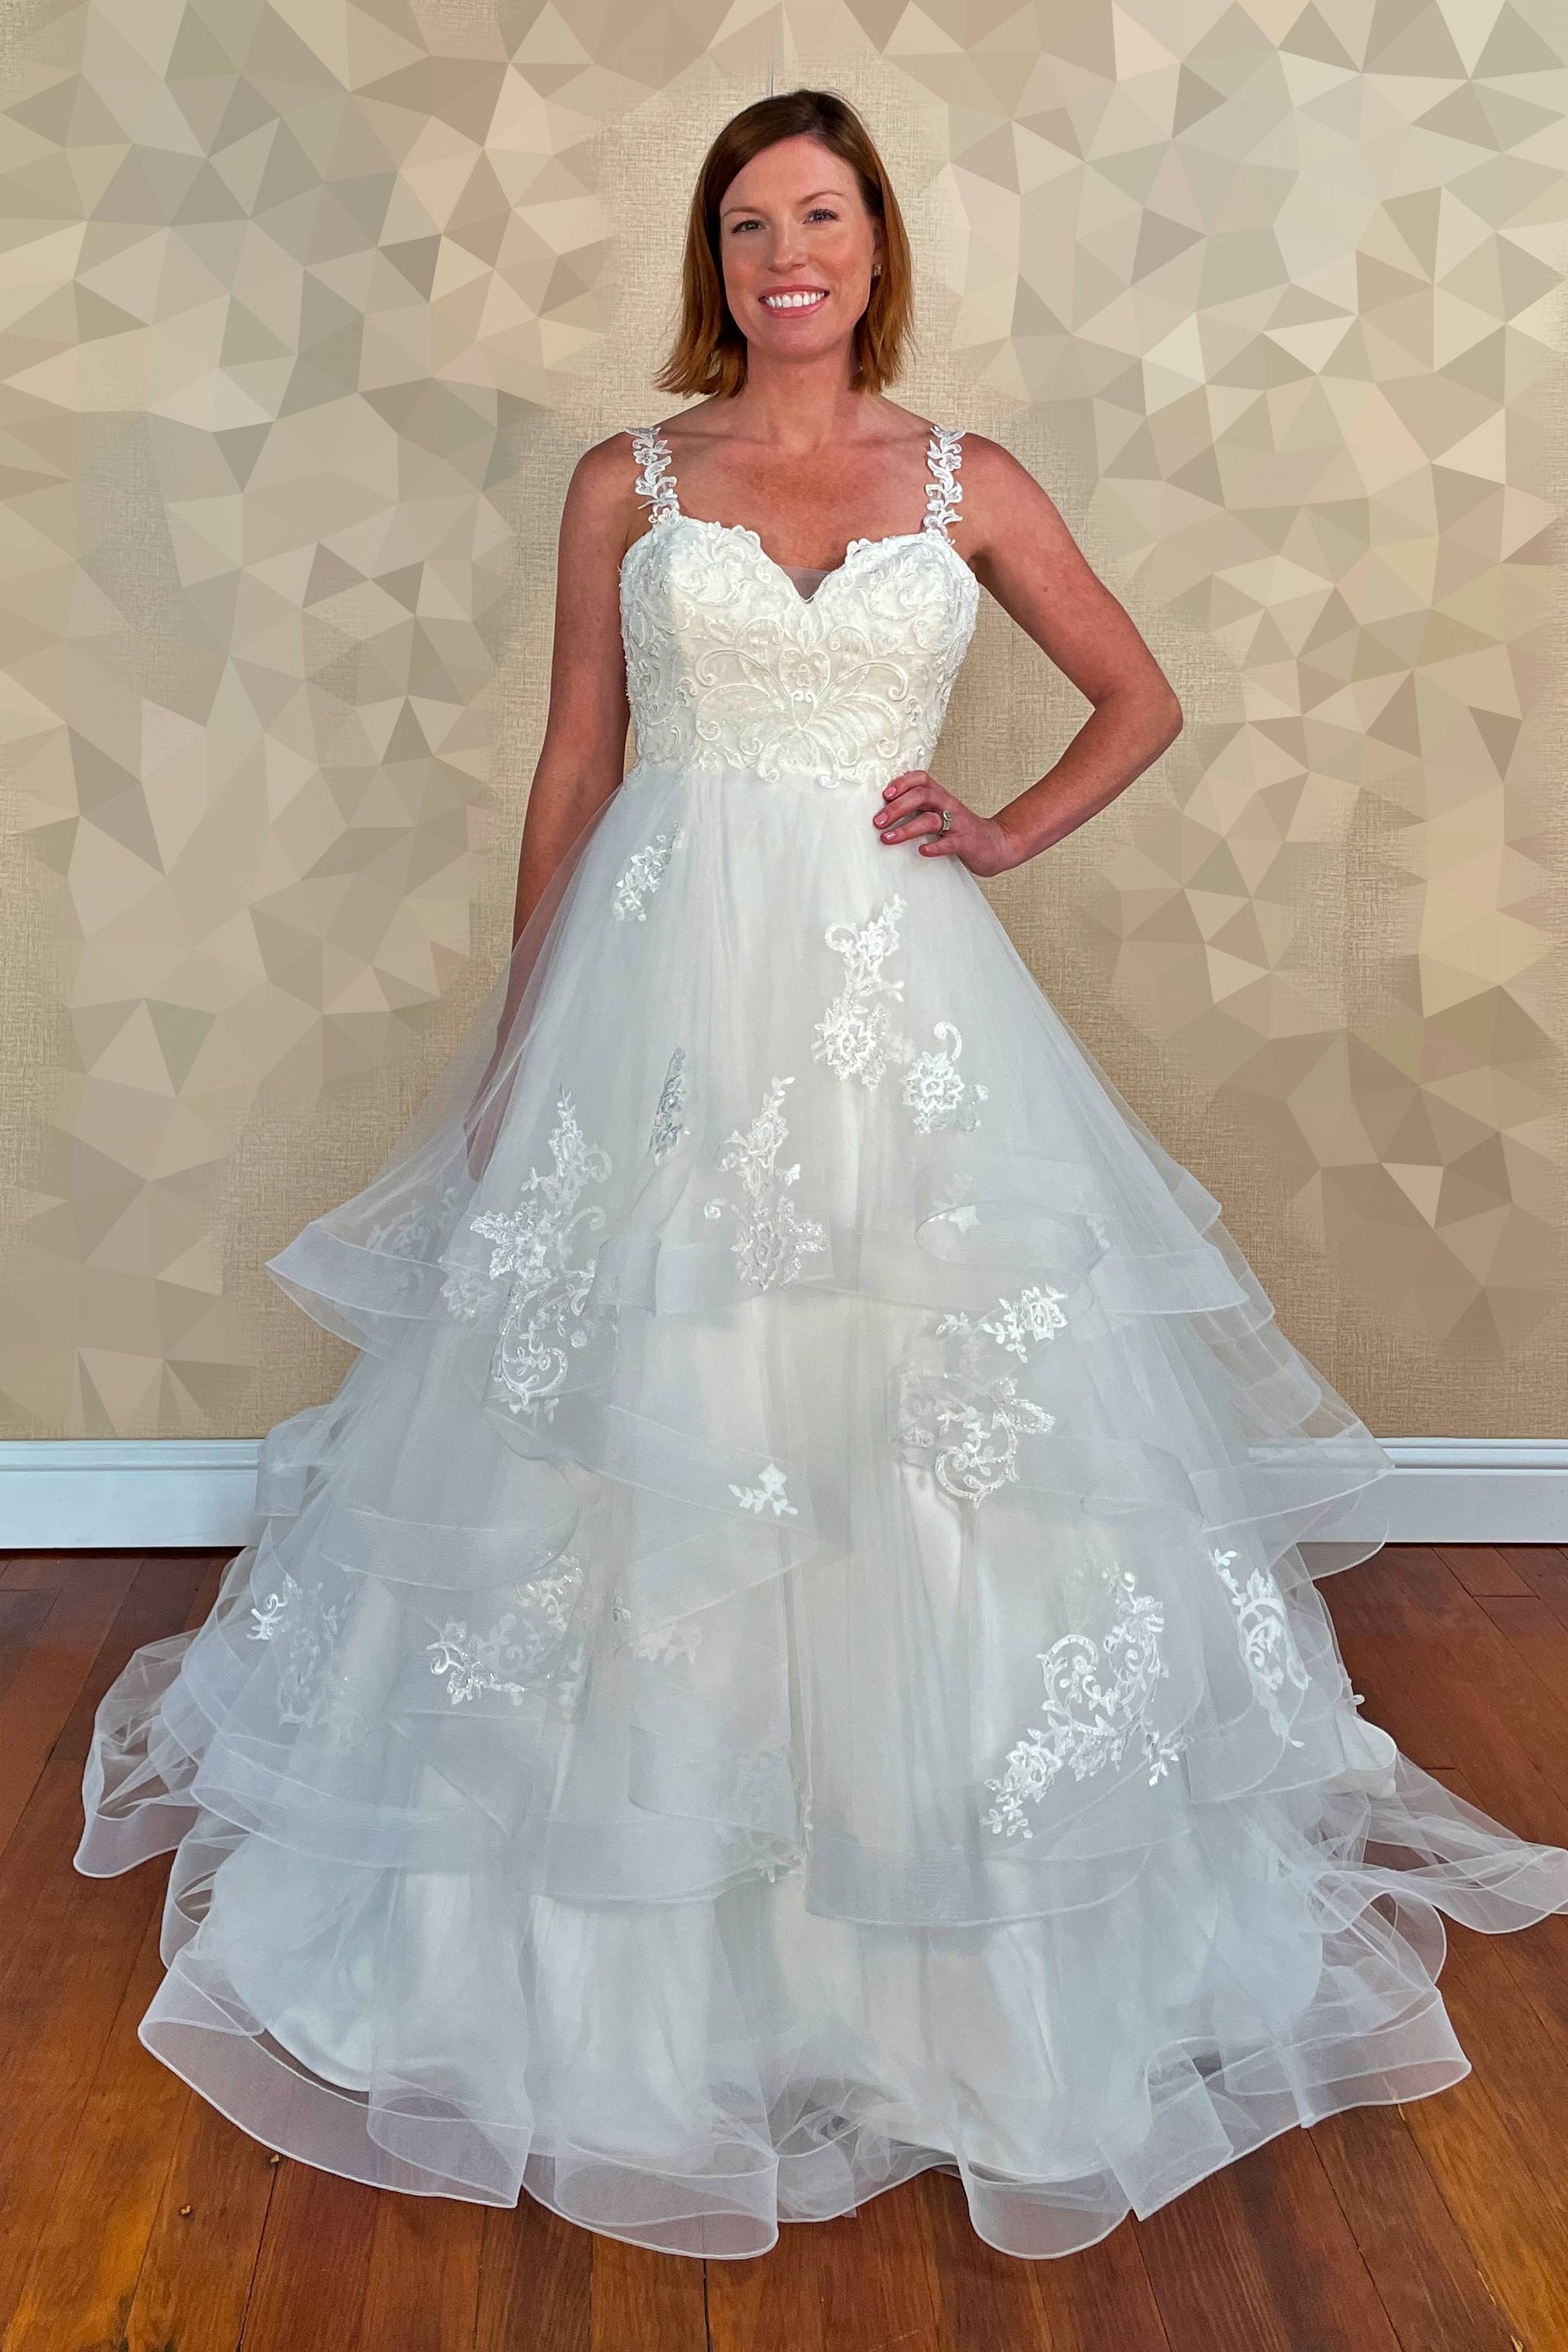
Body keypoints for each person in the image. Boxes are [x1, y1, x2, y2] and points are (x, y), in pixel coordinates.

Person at [74, 87, 1568, 2265]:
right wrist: (524, 1034)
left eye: (826, 217)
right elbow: (576, 760)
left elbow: (1139, 697)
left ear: (878, 248)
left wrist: (1007, 827)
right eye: (753, 223)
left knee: (925, 1421)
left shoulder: (968, 480)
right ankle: (624, 1937)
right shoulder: (628, 478)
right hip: (657, 997)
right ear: (716, 257)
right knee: (639, 1415)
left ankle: (945, 1946)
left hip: (892, 1003)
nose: (791, 257)